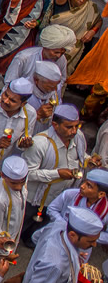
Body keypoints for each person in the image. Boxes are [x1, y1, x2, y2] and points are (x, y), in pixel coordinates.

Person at [21, 103, 87, 245]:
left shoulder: (78, 137)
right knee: (23, 224)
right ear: (55, 125)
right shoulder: (40, 143)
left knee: (41, 228)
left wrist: (89, 160)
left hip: (58, 197)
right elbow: (28, 173)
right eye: (69, 127)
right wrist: (57, 174)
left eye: (77, 126)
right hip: (35, 198)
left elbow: (80, 156)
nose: (74, 131)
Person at [20, 206, 103, 283]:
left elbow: (35, 237)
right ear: (72, 235)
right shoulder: (55, 264)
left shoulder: (59, 226)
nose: (94, 244)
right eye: (90, 241)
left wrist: (74, 253)